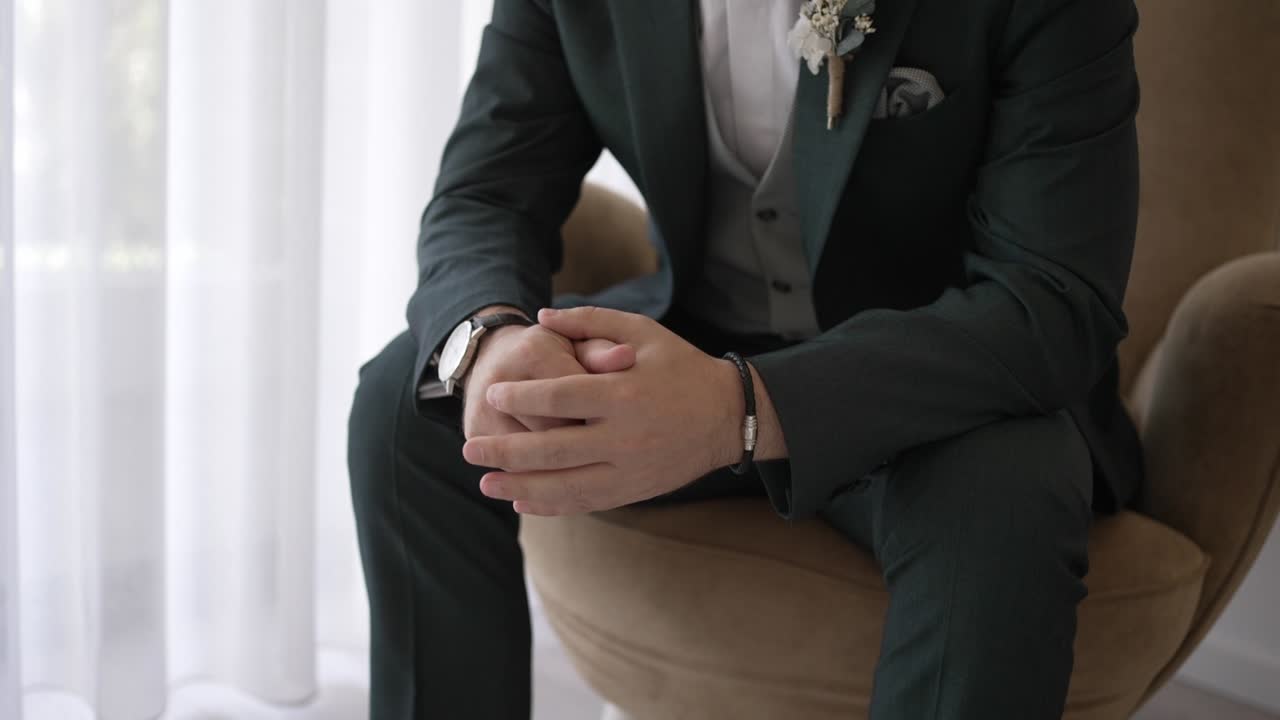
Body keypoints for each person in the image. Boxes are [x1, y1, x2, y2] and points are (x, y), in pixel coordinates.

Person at [348, 0, 1143, 717]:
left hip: (935, 385)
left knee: (1005, 494)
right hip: (693, 331)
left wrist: (745, 409)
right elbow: (487, 193)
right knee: (407, 399)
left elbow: (1054, 295)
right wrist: (488, 338)